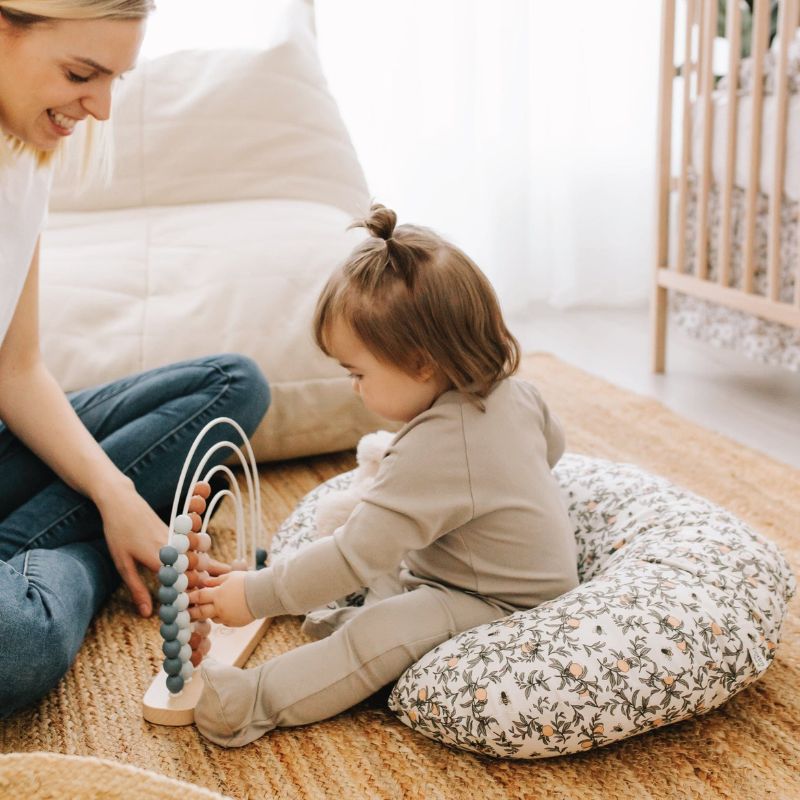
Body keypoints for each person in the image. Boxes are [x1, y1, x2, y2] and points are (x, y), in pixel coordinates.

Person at [189, 203, 578, 747]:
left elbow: (354, 557)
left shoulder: (437, 450)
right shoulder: (517, 393)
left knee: (377, 633)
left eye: (357, 372)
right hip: (461, 570)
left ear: (421, 363)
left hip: (501, 604)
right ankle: (353, 618)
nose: (353, 386)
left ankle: (253, 702)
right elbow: (552, 448)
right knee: (385, 559)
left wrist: (255, 595)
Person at [0, 0, 270, 718]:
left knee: (231, 387)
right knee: (16, 642)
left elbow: (16, 370)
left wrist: (118, 495)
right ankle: (82, 561)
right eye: (82, 73)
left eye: (115, 77)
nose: (102, 107)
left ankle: (73, 540)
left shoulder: (23, 160)